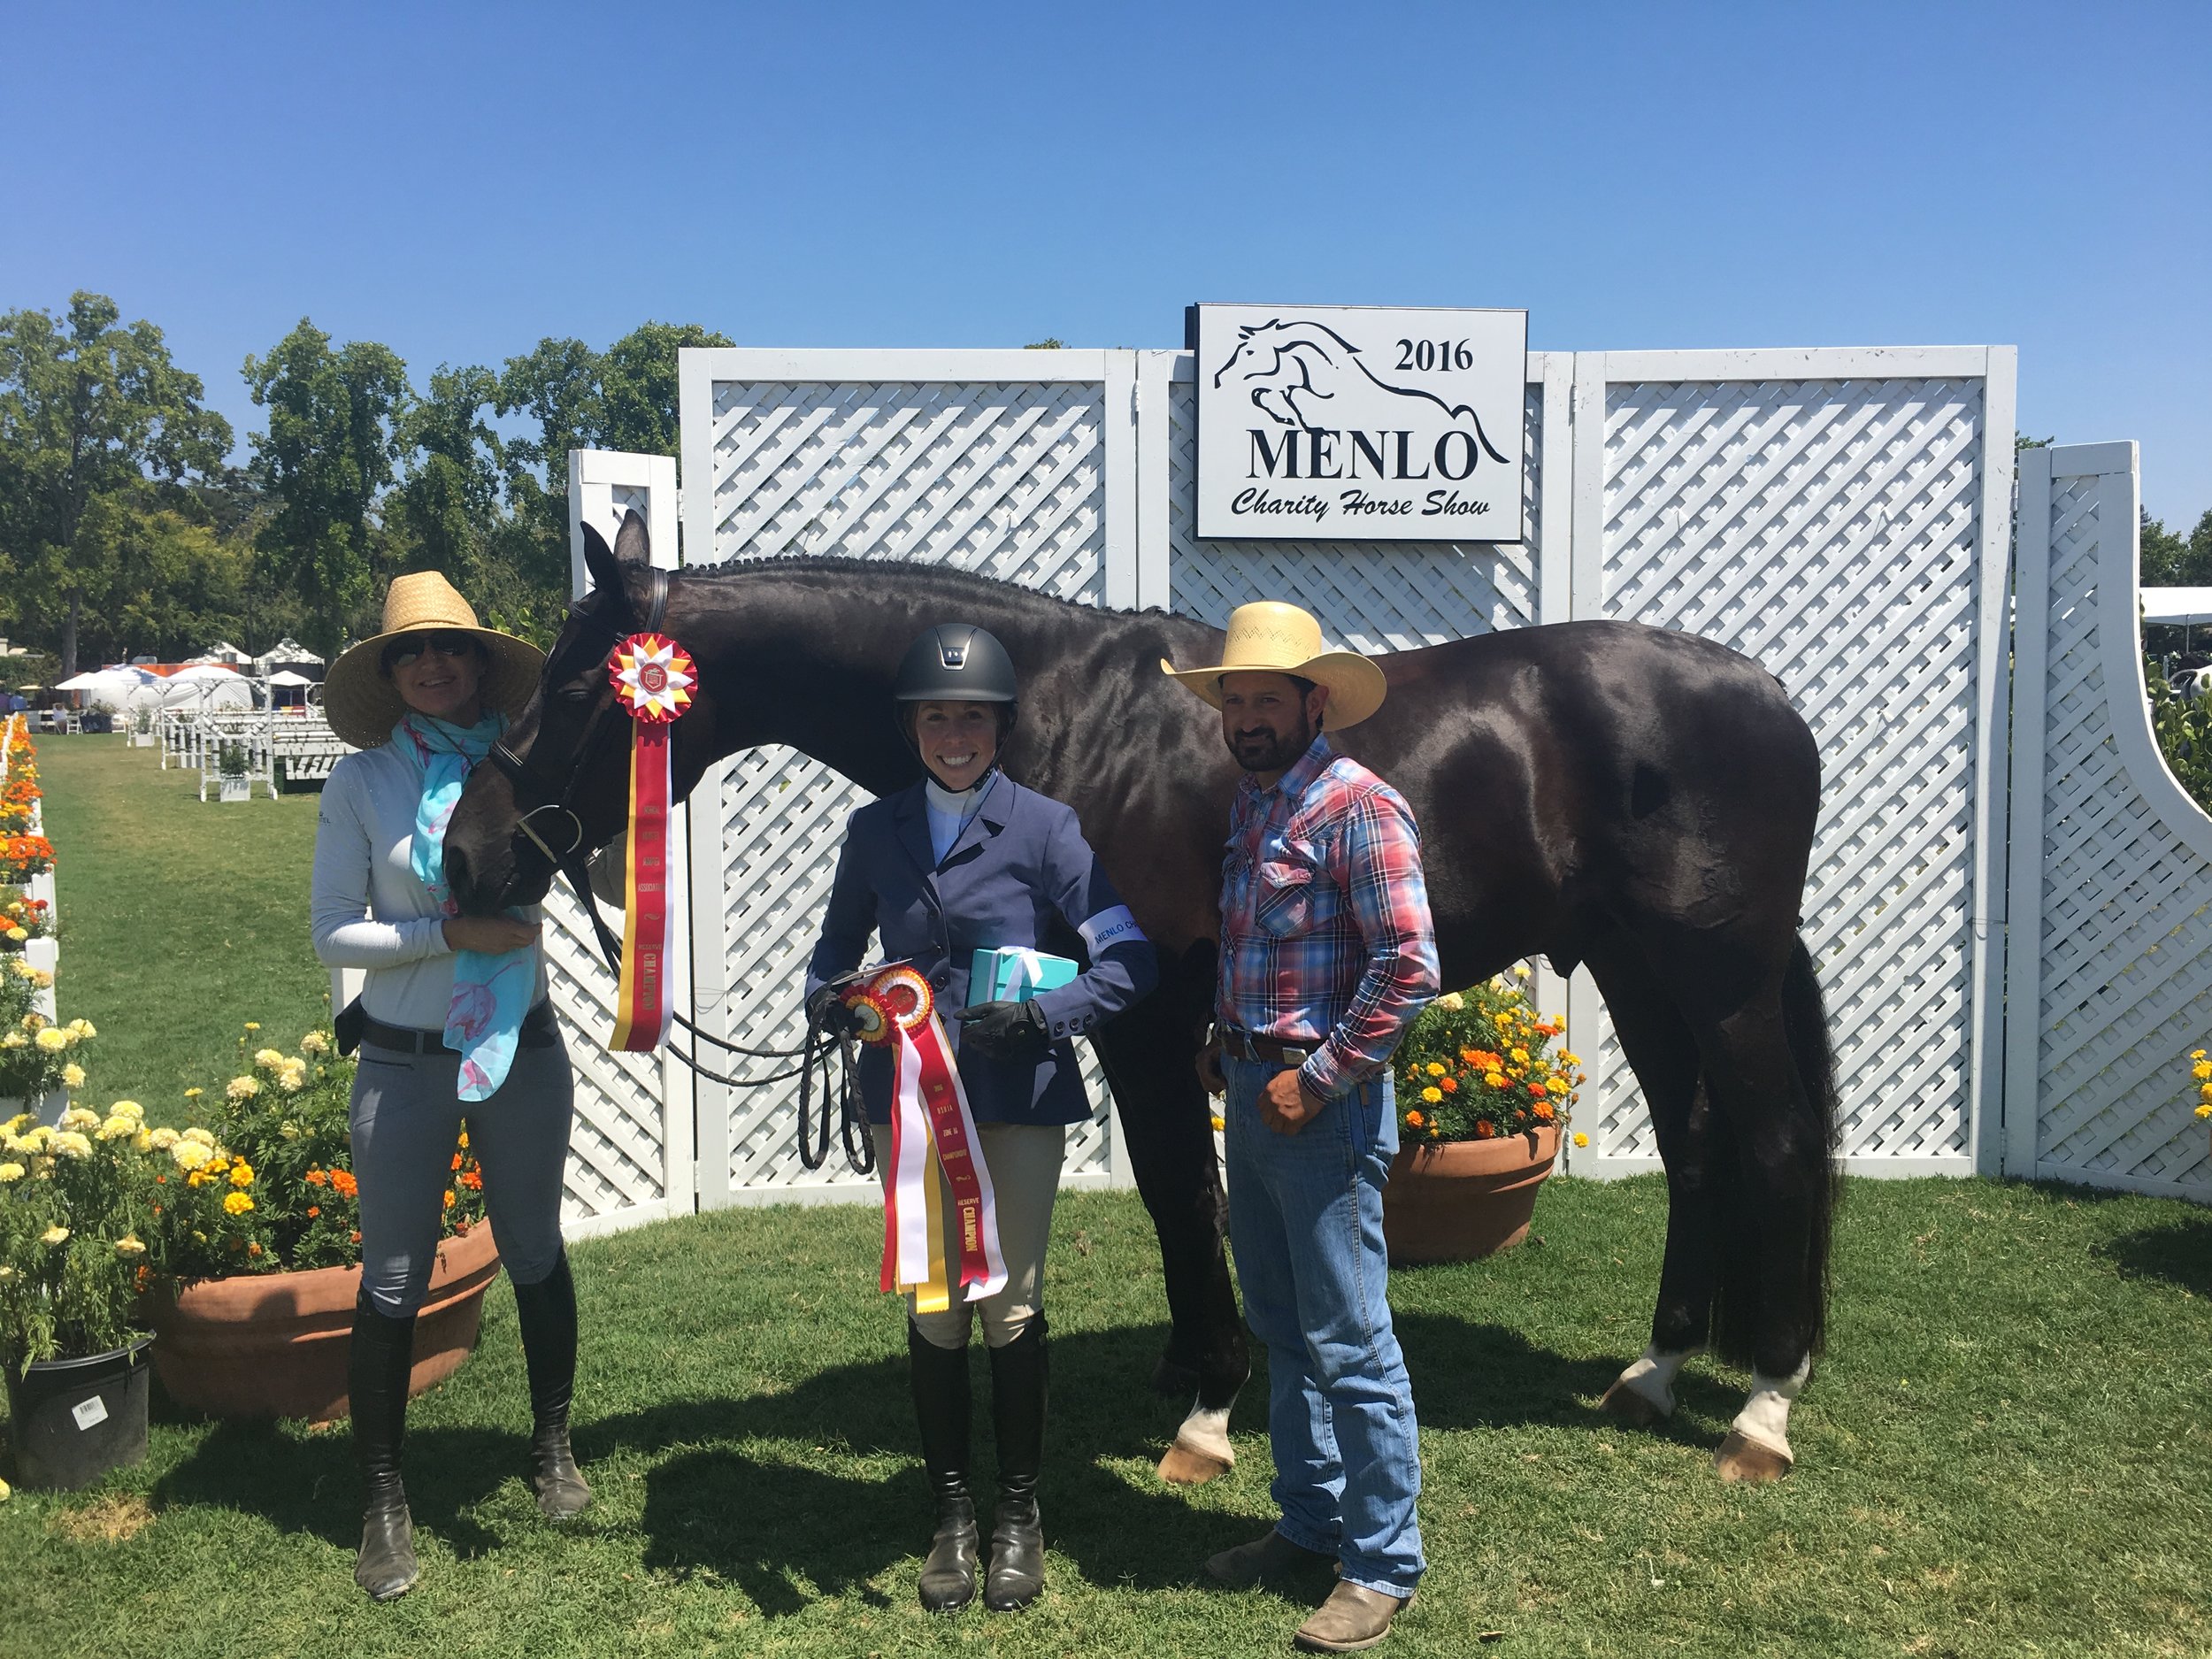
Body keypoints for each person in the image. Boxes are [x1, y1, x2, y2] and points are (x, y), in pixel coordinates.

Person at [804, 622, 1156, 1614]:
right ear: (912, 727)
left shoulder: (1049, 828)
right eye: (935, 717)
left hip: (1013, 1099)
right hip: (908, 1104)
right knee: (932, 1302)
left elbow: (1128, 960)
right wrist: (839, 1002)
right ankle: (950, 1514)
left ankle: (1018, 1512)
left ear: (999, 726)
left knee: (1008, 1301)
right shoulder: (873, 831)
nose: (953, 734)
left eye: (971, 717)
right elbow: (833, 953)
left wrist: (1048, 1012)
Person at [1164, 601, 1439, 1654]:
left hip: (1316, 1110)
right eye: (1233, 701)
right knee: (1282, 1327)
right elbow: (1266, 950)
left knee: (1350, 1340)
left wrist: (1317, 1077)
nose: (1245, 717)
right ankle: (1309, 1522)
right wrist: (1226, 1042)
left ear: (1313, 702)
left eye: (1264, 699)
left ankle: (1379, 1566)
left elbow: (1408, 964)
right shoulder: (1254, 809)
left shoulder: (1357, 807)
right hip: (1255, 1089)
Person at [311, 572, 587, 1603]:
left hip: (523, 1050)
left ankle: (553, 1445)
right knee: (390, 1282)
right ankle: (383, 1500)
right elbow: (332, 929)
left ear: (478, 663)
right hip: (401, 1064)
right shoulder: (362, 785)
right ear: (390, 674)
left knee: (533, 1250)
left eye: (451, 649)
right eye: (410, 653)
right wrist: (446, 934)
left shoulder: (531, 772)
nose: (433, 664)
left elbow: (596, 869)